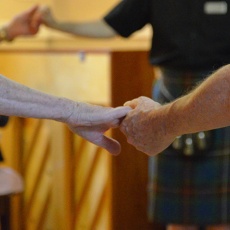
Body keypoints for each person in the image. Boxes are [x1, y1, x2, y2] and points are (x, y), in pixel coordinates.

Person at [37, 2, 230, 229]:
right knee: (179, 217)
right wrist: (56, 25)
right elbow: (110, 26)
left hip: (223, 100)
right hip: (170, 97)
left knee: (224, 215)